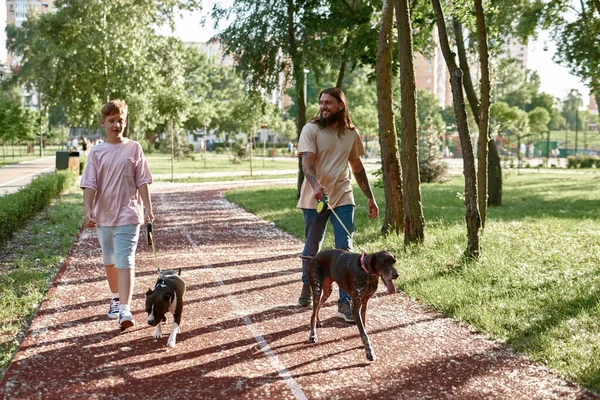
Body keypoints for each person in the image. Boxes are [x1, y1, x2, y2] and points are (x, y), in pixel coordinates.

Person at [296, 87, 378, 323]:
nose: (323, 107)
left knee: (345, 249)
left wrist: (370, 197)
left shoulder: (351, 133)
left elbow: (357, 166)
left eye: (328, 103)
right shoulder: (310, 129)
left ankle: (345, 302)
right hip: (315, 197)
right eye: (321, 102)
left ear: (340, 105)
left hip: (343, 195)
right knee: (313, 247)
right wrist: (316, 186)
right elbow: (307, 164)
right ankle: (307, 285)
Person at [80, 99, 154, 330]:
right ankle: (115, 297)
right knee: (109, 259)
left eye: (120, 120)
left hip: (129, 214)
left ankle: (125, 309)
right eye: (112, 120)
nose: (116, 124)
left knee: (125, 260)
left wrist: (149, 208)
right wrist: (88, 209)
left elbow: (142, 180)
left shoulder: (134, 148)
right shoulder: (97, 152)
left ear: (125, 121)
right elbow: (90, 183)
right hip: (104, 215)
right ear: (103, 122)